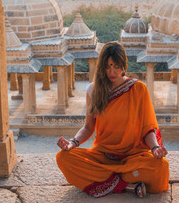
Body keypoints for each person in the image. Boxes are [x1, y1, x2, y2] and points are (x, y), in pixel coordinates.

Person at [56, 41, 169, 198]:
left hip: (133, 156)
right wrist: (72, 143)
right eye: (108, 66)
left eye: (116, 66)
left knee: (161, 166)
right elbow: (88, 127)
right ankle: (128, 184)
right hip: (103, 156)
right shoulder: (93, 91)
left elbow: (147, 129)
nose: (112, 71)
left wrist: (155, 148)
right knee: (63, 158)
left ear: (123, 66)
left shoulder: (138, 89)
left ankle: (109, 180)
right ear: (102, 67)